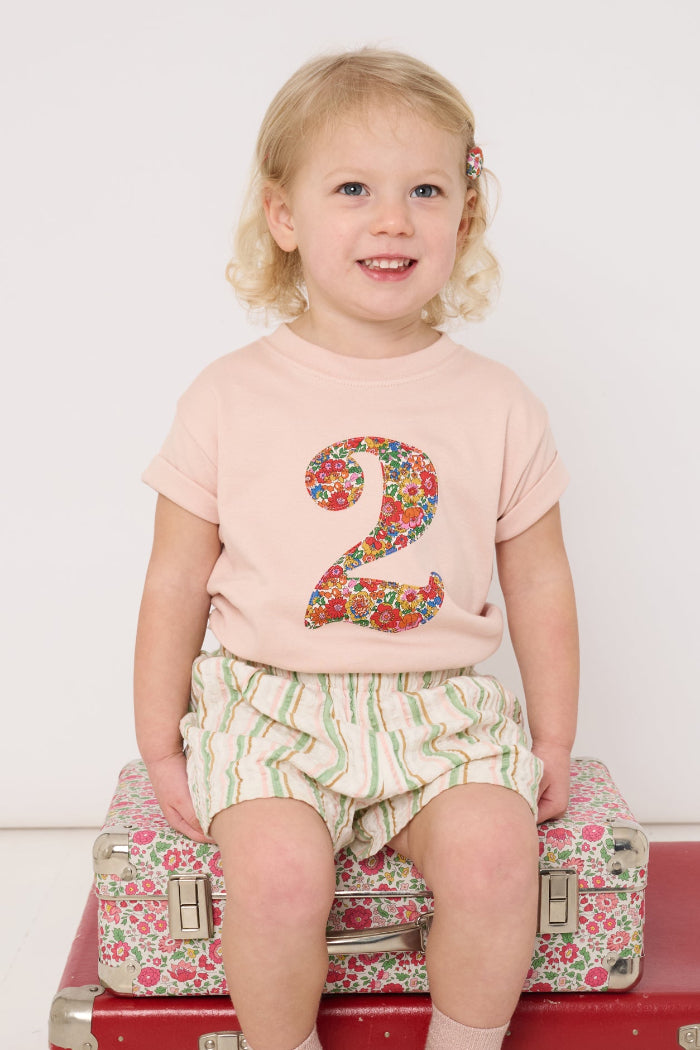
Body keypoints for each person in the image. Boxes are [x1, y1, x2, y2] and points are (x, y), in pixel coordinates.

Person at [134, 47, 579, 1050]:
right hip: (269, 708)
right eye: (352, 190)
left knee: (497, 857)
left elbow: (540, 579)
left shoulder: (498, 403)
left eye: (426, 190)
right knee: (277, 877)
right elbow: (175, 578)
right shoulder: (227, 394)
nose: (392, 220)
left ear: (464, 215)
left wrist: (551, 740)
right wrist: (162, 740)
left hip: (439, 710)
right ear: (283, 216)